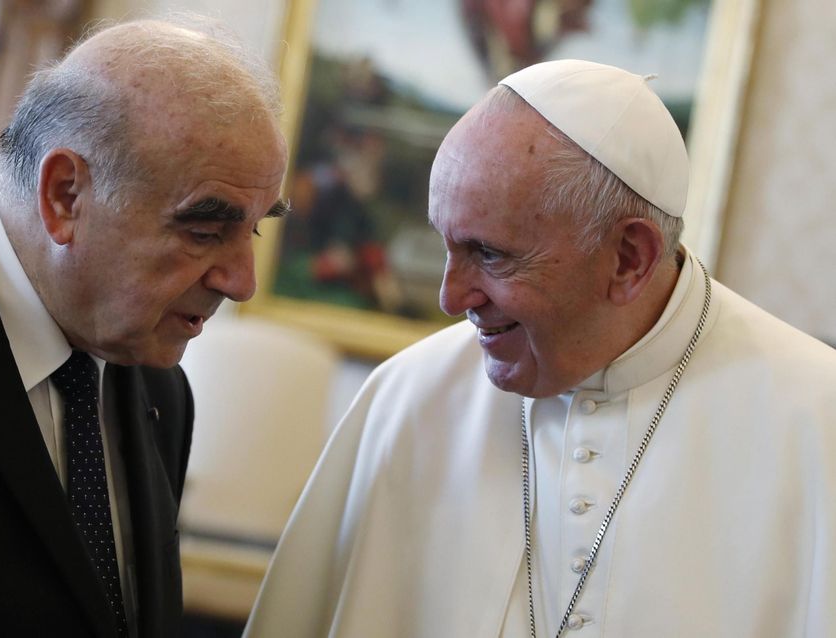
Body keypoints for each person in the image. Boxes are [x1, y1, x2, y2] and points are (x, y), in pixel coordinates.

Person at [244, 59, 836, 637]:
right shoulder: (407, 399)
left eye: (491, 254)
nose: (451, 298)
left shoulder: (816, 421)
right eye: (445, 244)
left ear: (630, 259)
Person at [0, 17, 288, 638]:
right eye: (204, 232)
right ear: (65, 194)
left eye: (254, 228)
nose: (242, 280)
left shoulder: (159, 389)